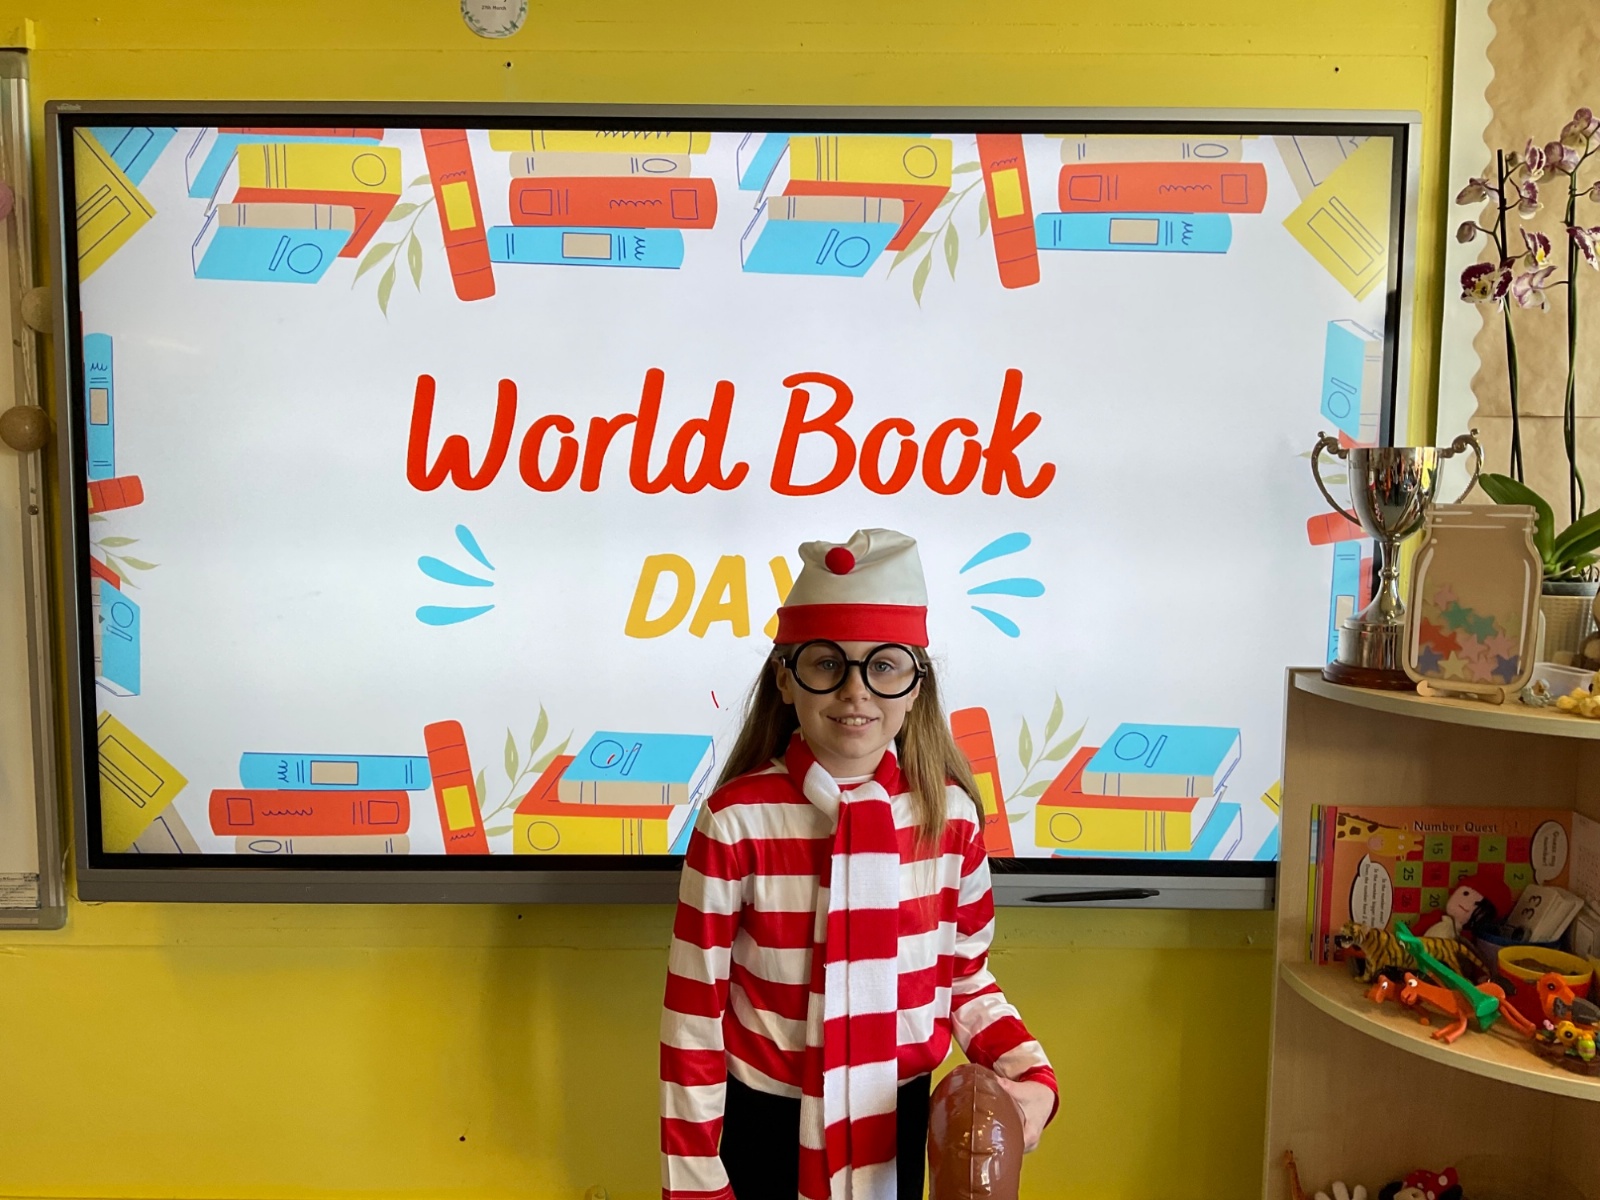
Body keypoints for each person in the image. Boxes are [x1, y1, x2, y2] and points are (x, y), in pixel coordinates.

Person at [660, 528, 1057, 1200]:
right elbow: (694, 1010)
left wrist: (1032, 1075)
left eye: (884, 666)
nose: (855, 691)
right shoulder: (736, 820)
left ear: (916, 685)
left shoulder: (949, 818)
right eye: (827, 664)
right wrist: (696, 1175)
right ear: (786, 679)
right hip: (765, 1121)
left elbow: (963, 979)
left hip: (893, 1118)